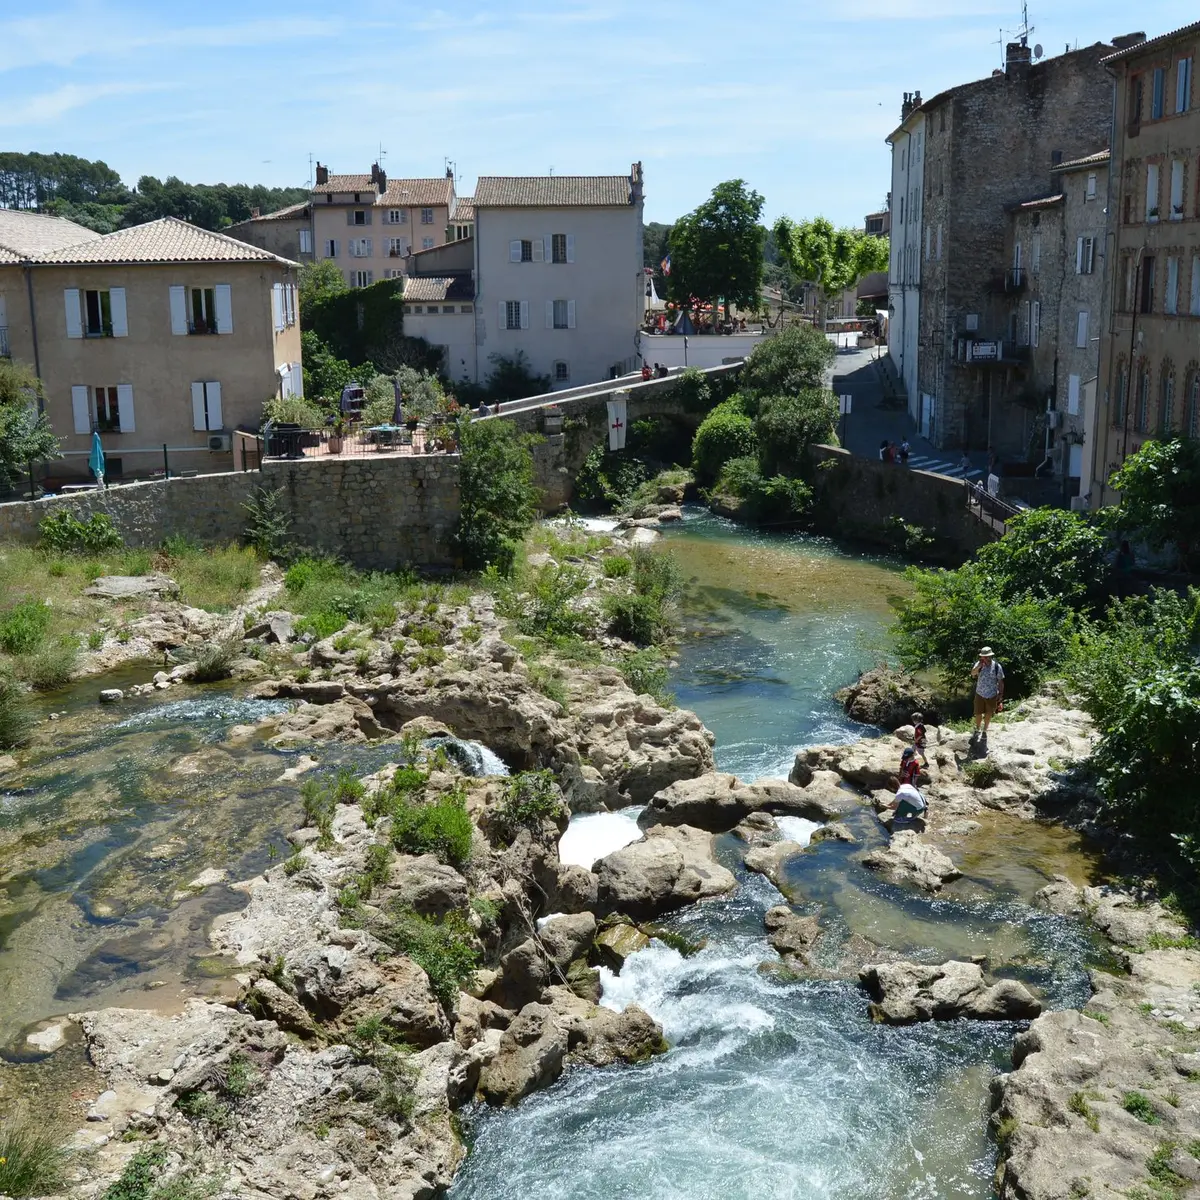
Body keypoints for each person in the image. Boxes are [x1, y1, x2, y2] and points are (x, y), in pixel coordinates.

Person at [970, 646, 1005, 742]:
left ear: (990, 656)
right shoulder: (979, 664)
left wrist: (1000, 695)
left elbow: (1000, 681)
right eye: (983, 657)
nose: (984, 658)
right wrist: (978, 667)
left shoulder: (997, 666)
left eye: (986, 657)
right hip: (979, 693)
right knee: (978, 713)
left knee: (989, 714)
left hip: (992, 694)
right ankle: (977, 728)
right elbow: (973, 674)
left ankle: (985, 730)